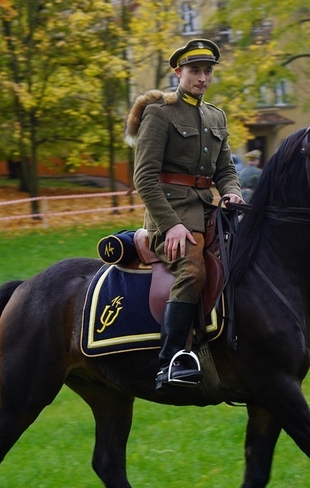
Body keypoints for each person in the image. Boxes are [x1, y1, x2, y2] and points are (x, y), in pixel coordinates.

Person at [125, 38, 245, 393]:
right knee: (192, 269)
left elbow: (225, 170)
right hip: (169, 218)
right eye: (195, 71)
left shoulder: (215, 116)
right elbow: (143, 178)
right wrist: (172, 224)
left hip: (209, 212)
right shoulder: (160, 113)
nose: (202, 78)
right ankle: (171, 362)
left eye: (208, 71)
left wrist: (233, 193)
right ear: (179, 72)